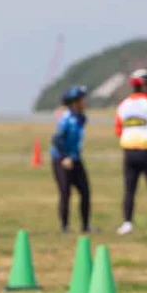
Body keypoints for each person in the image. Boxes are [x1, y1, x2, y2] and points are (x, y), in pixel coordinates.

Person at [115, 69, 147, 235]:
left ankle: (127, 223)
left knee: (129, 189)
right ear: (145, 85)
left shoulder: (123, 105)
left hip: (129, 152)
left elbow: (118, 130)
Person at [50, 85, 92, 233]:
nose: (85, 102)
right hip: (62, 159)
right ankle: (65, 226)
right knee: (65, 192)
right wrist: (65, 157)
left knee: (85, 191)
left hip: (75, 158)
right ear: (75, 102)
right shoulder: (66, 119)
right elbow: (57, 140)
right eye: (82, 99)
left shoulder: (81, 117)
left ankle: (86, 226)